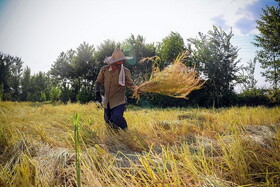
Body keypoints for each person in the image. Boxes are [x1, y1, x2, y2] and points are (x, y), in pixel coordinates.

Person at [95, 48, 136, 131]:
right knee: (109, 123)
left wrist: (137, 89)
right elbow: (98, 82)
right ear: (113, 61)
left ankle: (126, 131)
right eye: (119, 60)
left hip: (119, 101)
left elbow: (130, 84)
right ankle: (116, 139)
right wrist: (97, 93)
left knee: (116, 117)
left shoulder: (125, 71)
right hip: (107, 101)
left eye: (122, 60)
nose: (121, 62)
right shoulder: (104, 70)